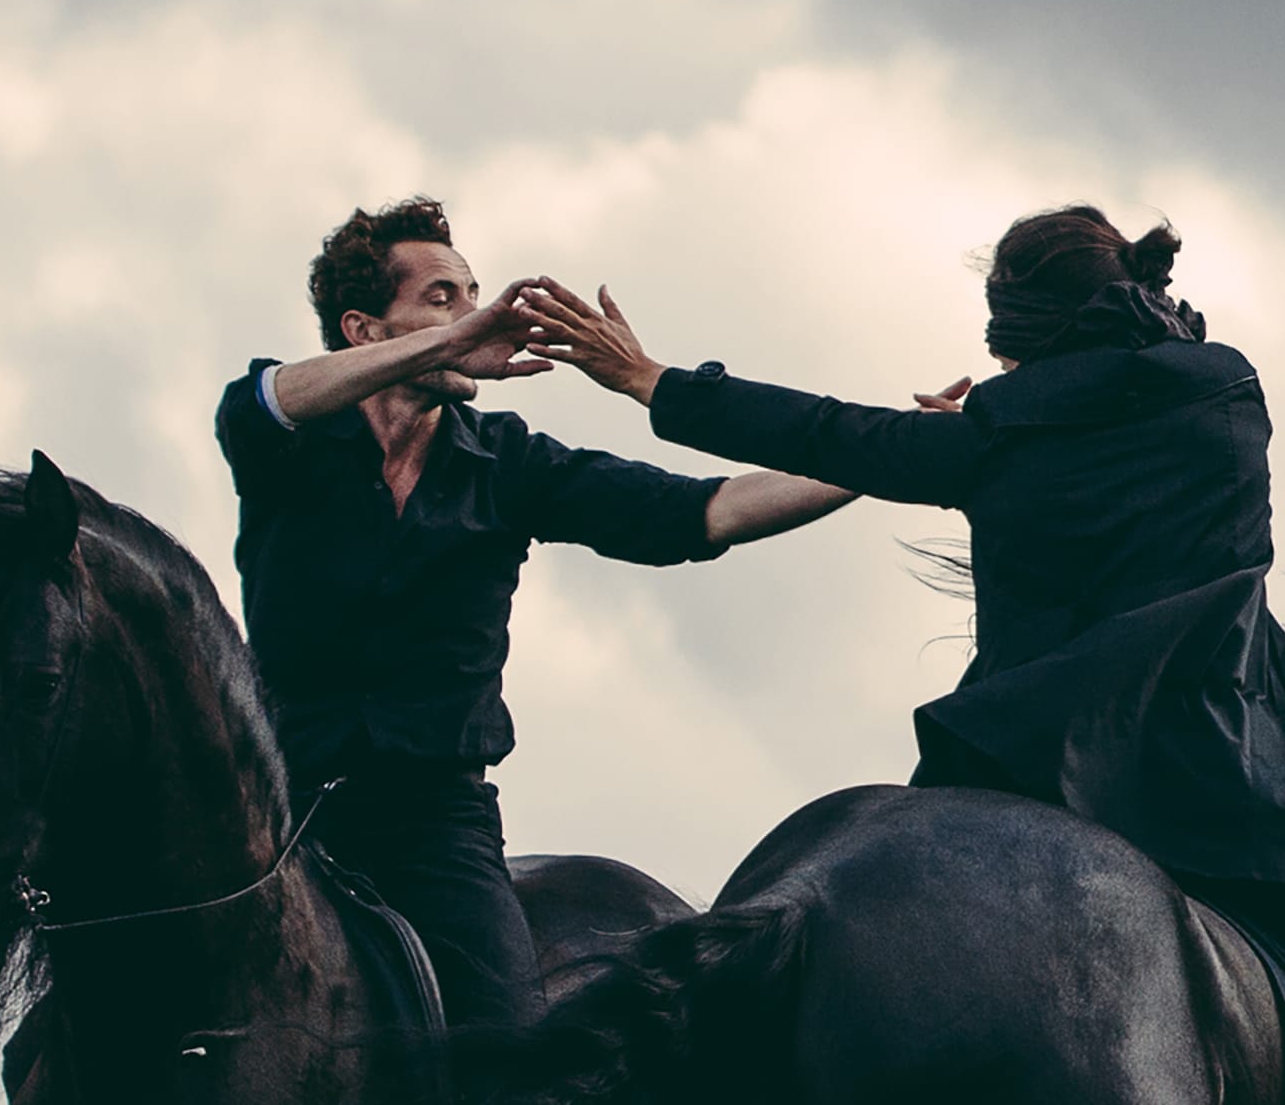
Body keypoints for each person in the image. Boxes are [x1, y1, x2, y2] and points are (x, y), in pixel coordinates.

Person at [513, 205, 1285, 1104]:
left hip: (1013, 778)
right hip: (1212, 787)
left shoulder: (991, 435)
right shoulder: (1227, 395)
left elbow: (828, 431)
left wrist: (653, 380)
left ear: (1009, 339)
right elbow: (1130, 396)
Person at [213, 196, 855, 1031]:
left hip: (436, 823)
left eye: (471, 292)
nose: (474, 314)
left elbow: (712, 511)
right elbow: (266, 397)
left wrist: (881, 457)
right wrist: (452, 339)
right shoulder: (289, 436)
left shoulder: (507, 462)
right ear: (364, 330)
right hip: (275, 811)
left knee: (509, 1046)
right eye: (443, 295)